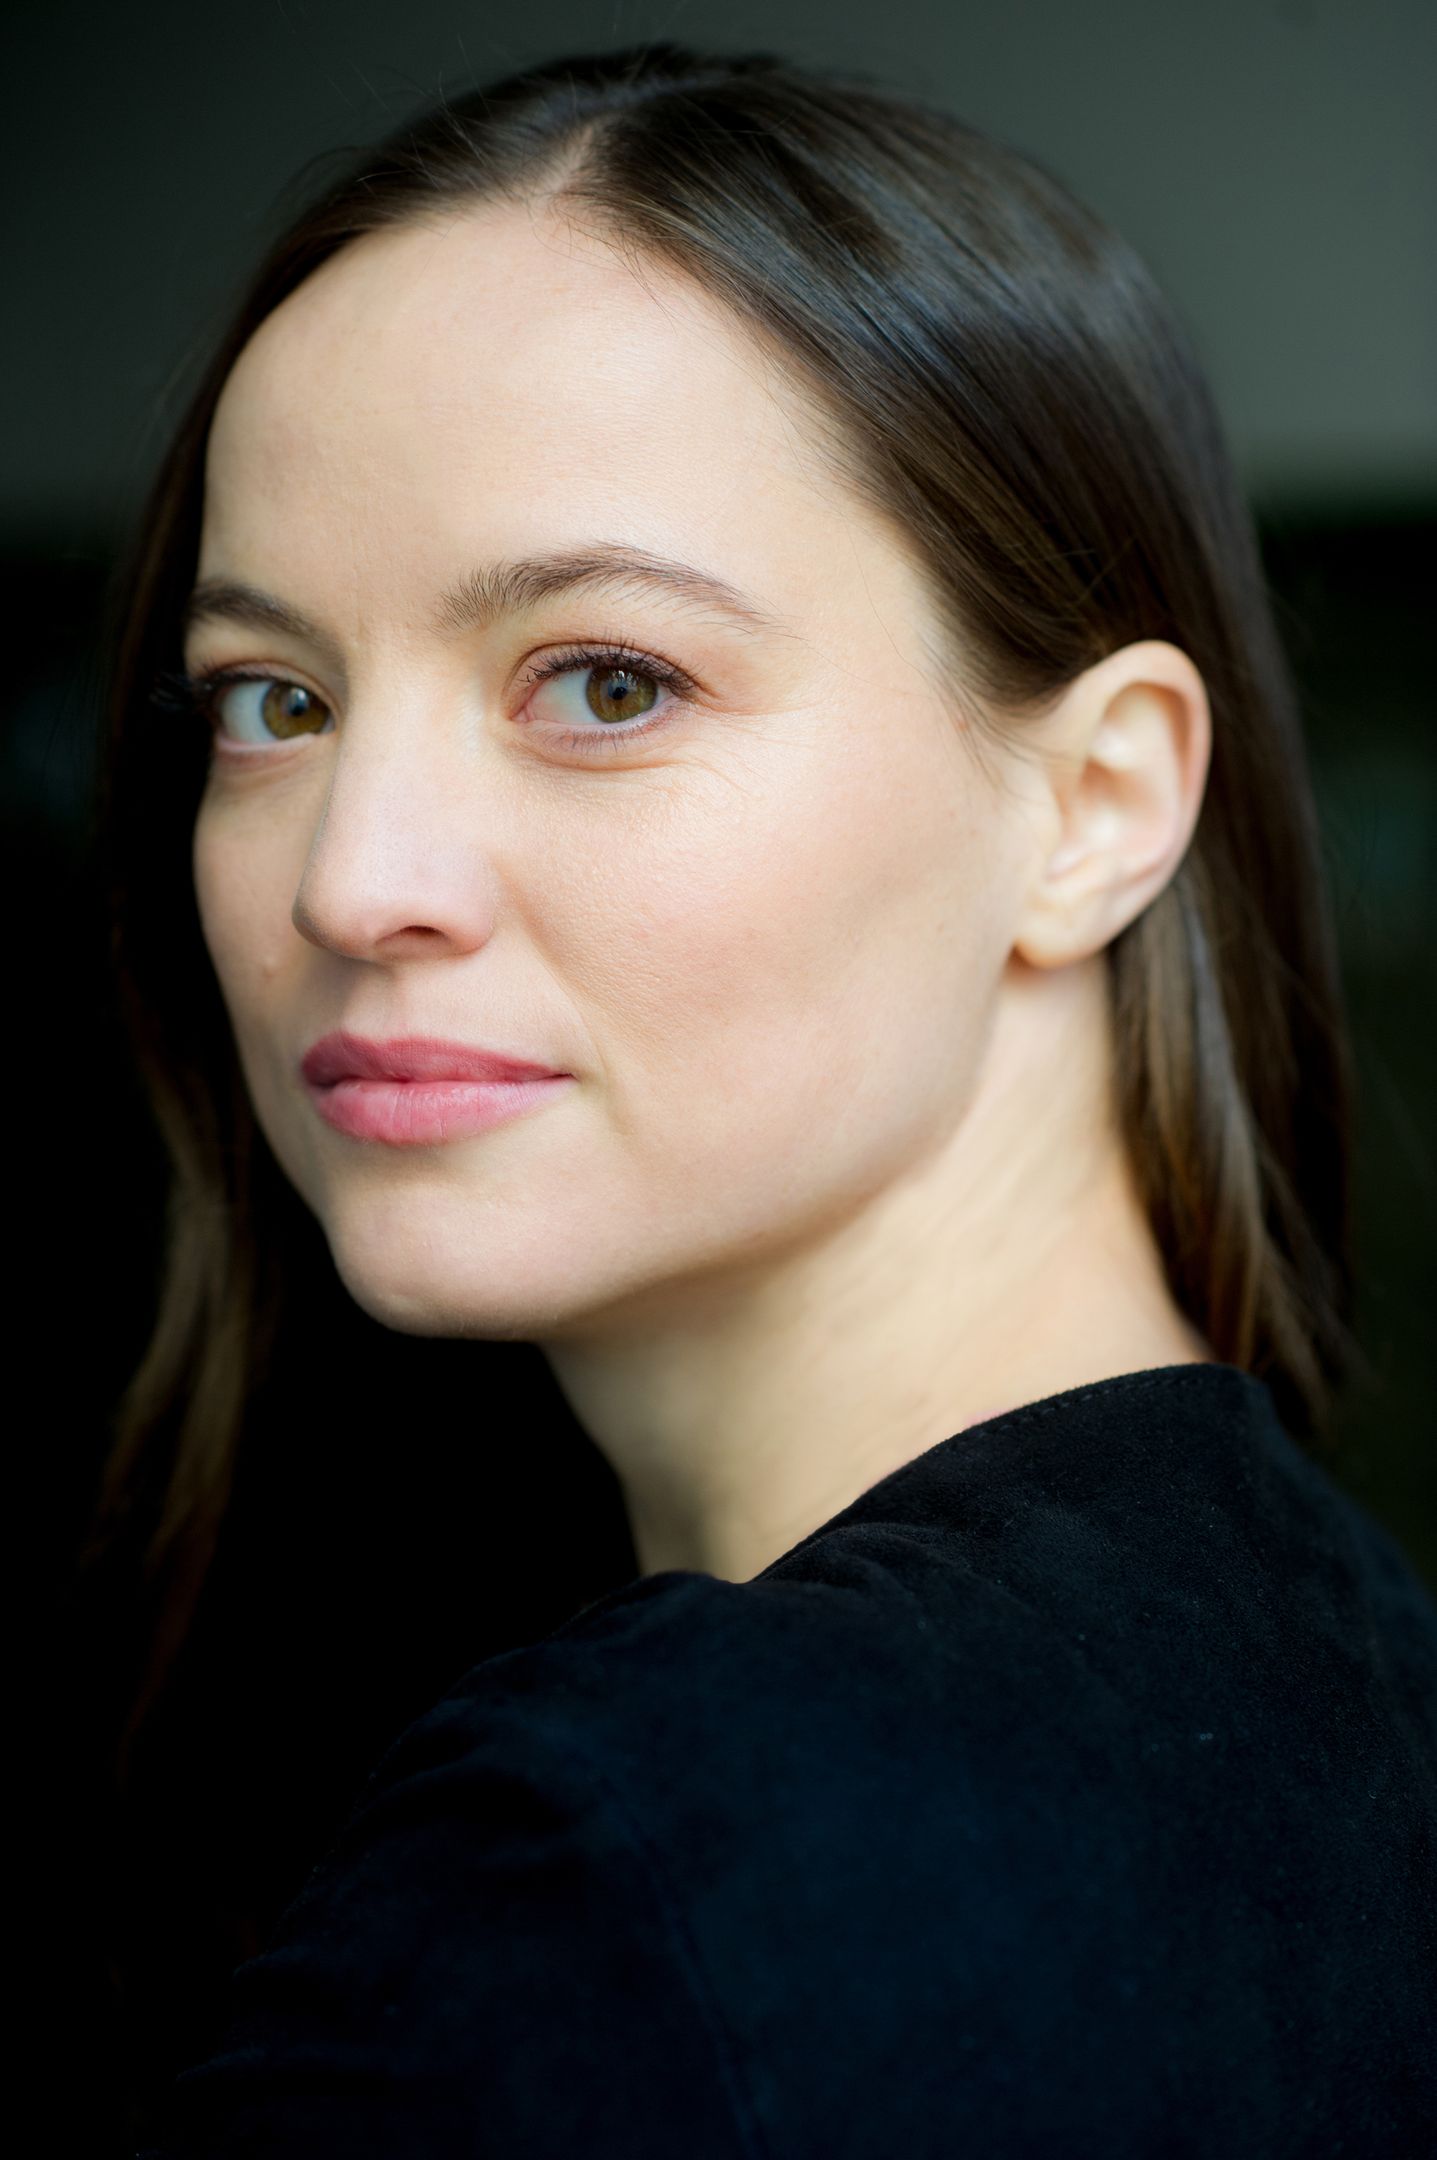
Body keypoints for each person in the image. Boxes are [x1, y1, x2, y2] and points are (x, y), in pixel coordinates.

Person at [84, 39, 1432, 2156]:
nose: (351, 879)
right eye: (273, 701)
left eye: (607, 682)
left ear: (1093, 805)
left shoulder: (632, 1856)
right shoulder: (1362, 1691)